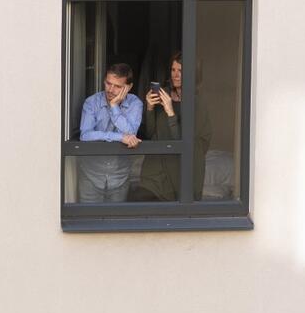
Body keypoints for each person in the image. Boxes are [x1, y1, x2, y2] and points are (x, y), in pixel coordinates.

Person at [132, 51, 212, 201]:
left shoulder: (198, 103)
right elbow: (150, 133)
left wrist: (170, 111)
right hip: (155, 169)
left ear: (192, 74)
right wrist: (149, 108)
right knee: (140, 202)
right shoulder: (164, 93)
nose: (175, 75)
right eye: (173, 70)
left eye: (180, 71)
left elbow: (186, 143)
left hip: (181, 172)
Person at [77, 63, 143, 202]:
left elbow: (130, 133)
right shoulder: (91, 103)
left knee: (116, 222)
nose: (111, 90)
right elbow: (85, 135)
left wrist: (114, 106)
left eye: (117, 86)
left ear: (128, 87)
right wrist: (118, 137)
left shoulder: (135, 104)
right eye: (108, 83)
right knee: (88, 222)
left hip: (119, 177)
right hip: (91, 176)